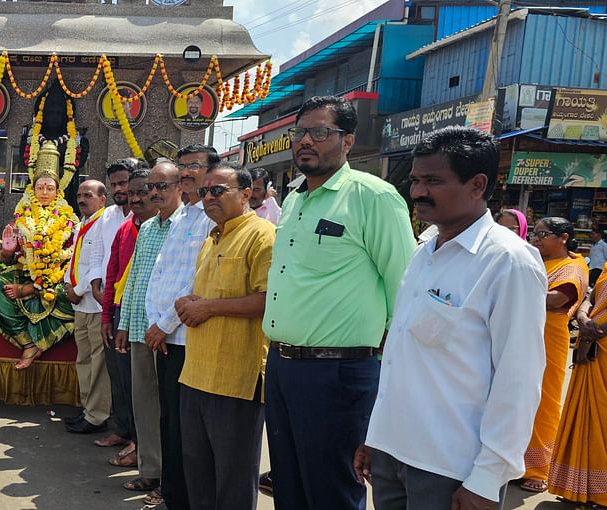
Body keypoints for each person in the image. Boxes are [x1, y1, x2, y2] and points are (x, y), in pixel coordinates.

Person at [356, 127, 547, 510]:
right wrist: (376, 436)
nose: (417, 192)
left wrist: (487, 478)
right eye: (414, 180)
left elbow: (518, 381)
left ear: (477, 185)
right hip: (393, 454)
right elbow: (400, 355)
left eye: (433, 181)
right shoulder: (424, 248)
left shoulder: (508, 262)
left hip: (450, 466)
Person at [262, 96, 415, 510]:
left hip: (337, 373)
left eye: (319, 132)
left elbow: (405, 291)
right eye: (299, 133)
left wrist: (388, 380)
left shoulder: (373, 197)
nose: (305, 141)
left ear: (347, 141)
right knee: (289, 487)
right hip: (281, 367)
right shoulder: (294, 199)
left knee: (331, 492)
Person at [176, 163, 275, 510]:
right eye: (205, 191)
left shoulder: (262, 234)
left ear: (246, 194)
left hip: (236, 379)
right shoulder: (212, 236)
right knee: (198, 476)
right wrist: (189, 302)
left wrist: (209, 308)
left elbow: (268, 300)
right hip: (196, 374)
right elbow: (207, 293)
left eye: (218, 190)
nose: (209, 197)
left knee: (232, 480)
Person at [143, 145, 219, 510]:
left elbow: (194, 282)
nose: (188, 173)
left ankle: (183, 498)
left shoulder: (210, 217)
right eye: (184, 166)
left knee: (185, 428)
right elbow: (160, 276)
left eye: (194, 167)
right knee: (169, 421)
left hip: (185, 336)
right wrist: (153, 324)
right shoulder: (185, 215)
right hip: (165, 337)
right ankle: (173, 495)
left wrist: (164, 324)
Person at [114, 161, 184, 504]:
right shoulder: (148, 227)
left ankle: (168, 481)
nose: (155, 193)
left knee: (169, 411)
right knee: (144, 405)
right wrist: (125, 324)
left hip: (170, 333)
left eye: (162, 186)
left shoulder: (186, 225)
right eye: (149, 187)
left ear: (179, 187)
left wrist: (165, 324)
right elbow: (135, 281)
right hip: (141, 330)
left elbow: (185, 284)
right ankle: (150, 471)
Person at [520, 216, 589, 493]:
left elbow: (556, 300)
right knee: (517, 398)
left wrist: (516, 287)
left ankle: (538, 467)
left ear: (564, 237)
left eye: (543, 234)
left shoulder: (572, 266)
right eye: (534, 234)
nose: (535, 239)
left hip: (549, 339)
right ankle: (513, 462)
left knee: (543, 400)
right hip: (520, 336)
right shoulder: (534, 260)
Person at [0, 170, 78, 369]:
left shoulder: (71, 222)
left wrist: (30, 289)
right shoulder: (20, 219)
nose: (44, 192)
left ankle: (39, 340)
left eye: (49, 188)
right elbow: (7, 260)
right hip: (23, 272)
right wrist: (7, 252)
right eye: (40, 188)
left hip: (57, 280)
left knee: (70, 297)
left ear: (57, 192)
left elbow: (71, 261)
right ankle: (27, 342)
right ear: (32, 191)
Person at [97, 159, 146, 462]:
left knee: (137, 383)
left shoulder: (153, 227)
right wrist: (106, 316)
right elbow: (111, 271)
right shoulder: (122, 227)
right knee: (118, 376)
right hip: (116, 310)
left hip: (140, 315)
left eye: (126, 184)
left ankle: (139, 442)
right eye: (115, 184)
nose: (123, 191)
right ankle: (123, 430)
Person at [552, 254, 607, 507]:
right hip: (593, 341)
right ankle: (581, 488)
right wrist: (584, 320)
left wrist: (594, 330)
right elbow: (590, 298)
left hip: (598, 340)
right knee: (586, 414)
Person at [62, 180, 112, 435]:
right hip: (80, 305)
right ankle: (87, 410)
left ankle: (97, 416)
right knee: (83, 360)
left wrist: (78, 290)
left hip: (93, 303)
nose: (82, 199)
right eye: (80, 195)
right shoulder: (83, 223)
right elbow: (75, 261)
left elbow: (100, 262)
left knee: (97, 364)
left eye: (88, 195)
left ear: (103, 199)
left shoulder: (105, 223)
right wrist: (67, 286)